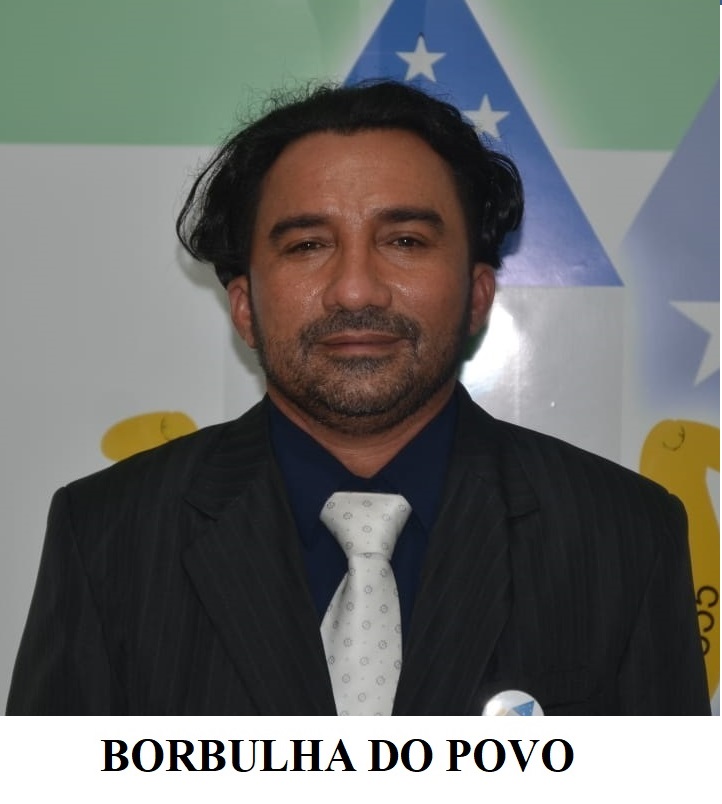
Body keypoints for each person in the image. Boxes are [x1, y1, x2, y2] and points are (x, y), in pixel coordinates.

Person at [6, 80, 709, 715]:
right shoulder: (107, 534)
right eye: (308, 246)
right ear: (244, 306)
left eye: (404, 240)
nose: (354, 290)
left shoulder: (623, 535)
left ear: (478, 295)